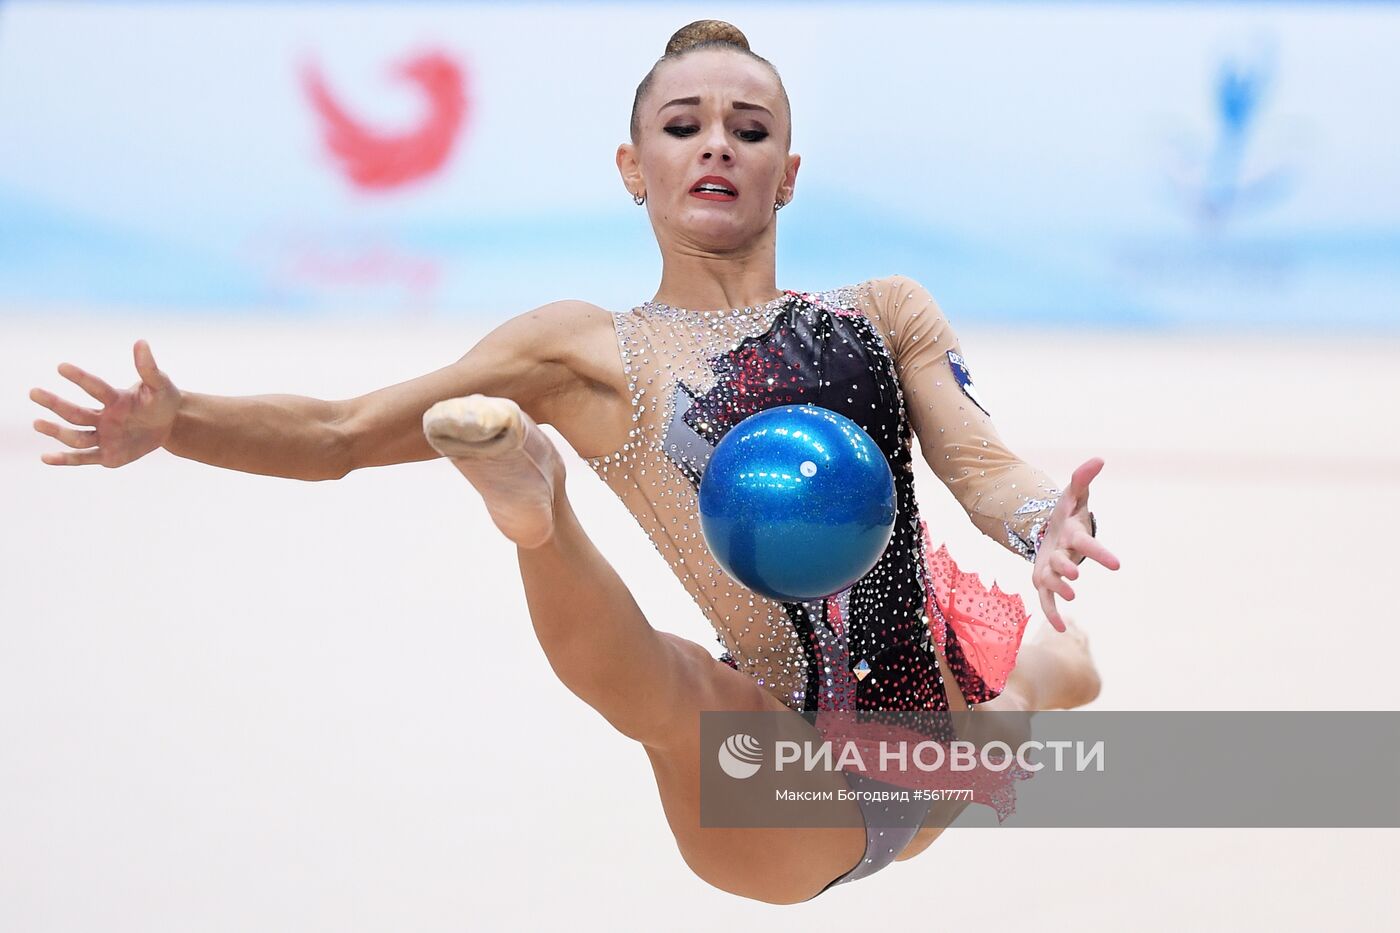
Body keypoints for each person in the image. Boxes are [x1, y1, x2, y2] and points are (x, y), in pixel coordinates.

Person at [29, 20, 1120, 904]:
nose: (715, 146)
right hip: (776, 795)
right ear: (630, 166)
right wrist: (181, 420)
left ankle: (992, 687)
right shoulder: (586, 350)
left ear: (785, 176)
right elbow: (339, 435)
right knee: (678, 689)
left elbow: (982, 465)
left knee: (1062, 672)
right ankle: (537, 509)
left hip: (928, 758)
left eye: (747, 129)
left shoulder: (883, 313)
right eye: (683, 125)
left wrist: (1042, 525)